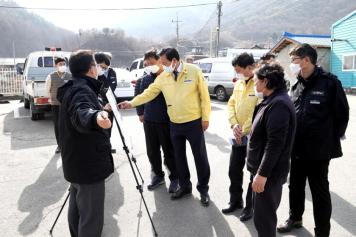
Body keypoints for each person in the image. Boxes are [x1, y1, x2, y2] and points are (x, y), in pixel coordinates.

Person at [119, 47, 211, 206]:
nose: (162, 65)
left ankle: (203, 189)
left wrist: (205, 118)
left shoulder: (194, 71)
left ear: (174, 61)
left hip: (194, 122)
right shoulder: (164, 76)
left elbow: (205, 96)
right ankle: (185, 186)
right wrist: (131, 103)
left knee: (200, 157)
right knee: (179, 158)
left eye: (164, 62)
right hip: (175, 124)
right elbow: (149, 93)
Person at [277, 44, 349, 237]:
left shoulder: (330, 83)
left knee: (319, 192)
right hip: (297, 148)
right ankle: (295, 218)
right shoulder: (297, 84)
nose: (291, 64)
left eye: (294, 60)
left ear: (306, 60)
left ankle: (322, 231)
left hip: (319, 151)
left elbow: (342, 114)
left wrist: (329, 139)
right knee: (295, 186)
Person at [57, 50, 114, 237]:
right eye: (95, 64)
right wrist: (96, 116)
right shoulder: (82, 90)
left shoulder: (72, 86)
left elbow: (80, 109)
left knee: (77, 209)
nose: (98, 68)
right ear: (91, 69)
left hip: (75, 162)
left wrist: (101, 109)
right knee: (91, 217)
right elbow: (82, 111)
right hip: (88, 164)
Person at [247, 63, 296, 237]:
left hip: (269, 173)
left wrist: (262, 174)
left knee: (264, 219)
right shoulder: (271, 101)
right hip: (265, 171)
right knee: (262, 216)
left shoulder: (279, 104)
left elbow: (275, 144)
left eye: (255, 81)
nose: (254, 84)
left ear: (266, 81)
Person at [222, 53, 259, 222]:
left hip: (253, 137)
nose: (237, 73)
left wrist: (243, 131)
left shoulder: (260, 83)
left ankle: (249, 207)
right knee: (234, 170)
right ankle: (235, 201)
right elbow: (231, 104)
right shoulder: (238, 84)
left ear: (249, 68)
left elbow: (258, 112)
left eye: (239, 70)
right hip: (237, 135)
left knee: (253, 173)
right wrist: (233, 124)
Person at [135, 49, 179, 193]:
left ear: (160, 61)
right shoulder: (145, 78)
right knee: (152, 151)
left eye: (151, 63)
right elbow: (140, 95)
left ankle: (174, 177)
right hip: (149, 120)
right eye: (146, 64)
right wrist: (140, 112)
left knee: (169, 150)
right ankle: (158, 175)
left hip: (165, 121)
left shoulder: (170, 76)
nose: (148, 66)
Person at [45, 57, 71, 154]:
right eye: (60, 64)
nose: (62, 66)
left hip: (67, 105)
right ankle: (59, 145)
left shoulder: (70, 76)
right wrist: (51, 98)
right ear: (55, 66)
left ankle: (67, 144)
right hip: (55, 105)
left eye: (64, 64)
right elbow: (47, 90)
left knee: (68, 125)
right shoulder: (51, 76)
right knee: (58, 125)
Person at [95, 52, 117, 153]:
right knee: (100, 126)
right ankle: (101, 146)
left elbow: (111, 87)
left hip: (110, 102)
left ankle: (107, 144)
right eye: (102, 66)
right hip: (99, 104)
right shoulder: (94, 74)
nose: (104, 69)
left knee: (109, 125)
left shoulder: (112, 72)